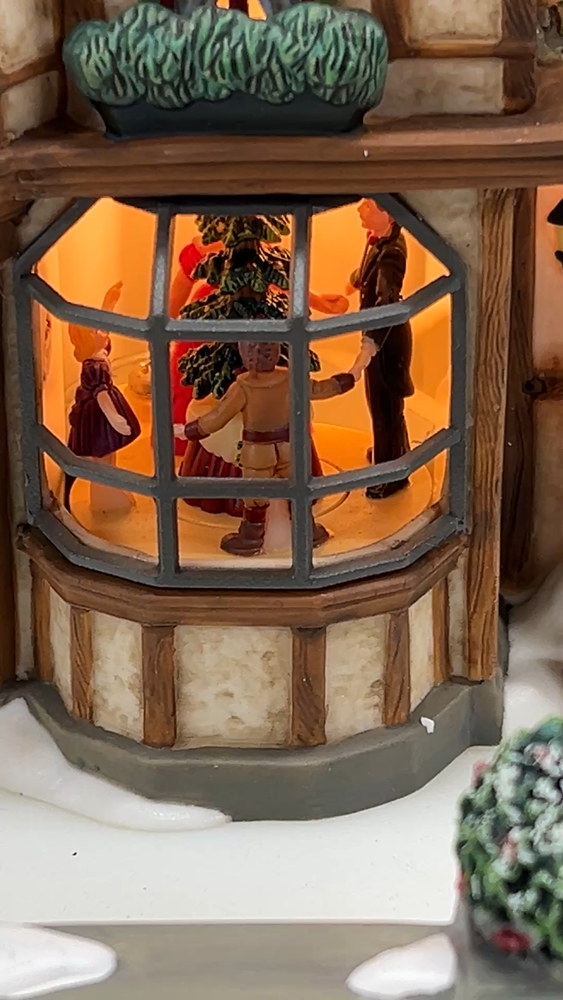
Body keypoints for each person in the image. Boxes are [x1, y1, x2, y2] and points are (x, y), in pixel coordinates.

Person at [174, 341, 360, 557]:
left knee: (255, 495)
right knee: (296, 487)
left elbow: (217, 417)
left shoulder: (243, 386)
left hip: (258, 451)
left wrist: (188, 431)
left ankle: (251, 539)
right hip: (289, 446)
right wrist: (347, 379)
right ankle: (307, 530)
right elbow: (321, 388)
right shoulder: (289, 378)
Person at [347, 199, 414, 500]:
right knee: (382, 407)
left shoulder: (392, 253)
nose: (360, 210)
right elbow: (368, 272)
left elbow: (385, 302)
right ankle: (393, 453)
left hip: (386, 340)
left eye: (369, 206)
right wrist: (354, 281)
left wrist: (369, 345)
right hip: (379, 335)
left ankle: (391, 476)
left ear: (388, 214)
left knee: (385, 409)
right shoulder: (378, 240)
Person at [64, 281, 141, 512]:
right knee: (103, 457)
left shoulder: (99, 353)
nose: (101, 333)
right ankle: (106, 498)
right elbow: (101, 395)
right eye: (94, 331)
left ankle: (112, 491)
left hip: (102, 412)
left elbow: (103, 331)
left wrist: (109, 303)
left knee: (108, 456)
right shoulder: (93, 366)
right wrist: (115, 419)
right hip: (98, 416)